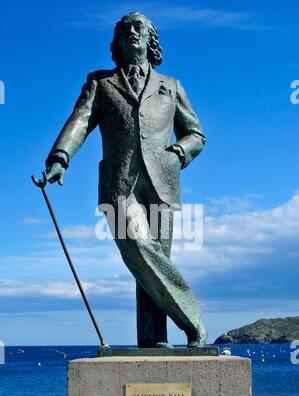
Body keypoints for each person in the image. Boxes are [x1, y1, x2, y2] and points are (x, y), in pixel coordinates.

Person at [44, 12, 207, 348]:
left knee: (154, 262)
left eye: (139, 28)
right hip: (119, 186)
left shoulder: (171, 87)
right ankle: (192, 321)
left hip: (162, 182)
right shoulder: (101, 84)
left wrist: (179, 152)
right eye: (124, 30)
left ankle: (153, 339)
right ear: (116, 43)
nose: (132, 33)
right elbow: (79, 122)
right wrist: (60, 157)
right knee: (138, 248)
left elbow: (196, 133)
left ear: (151, 40)